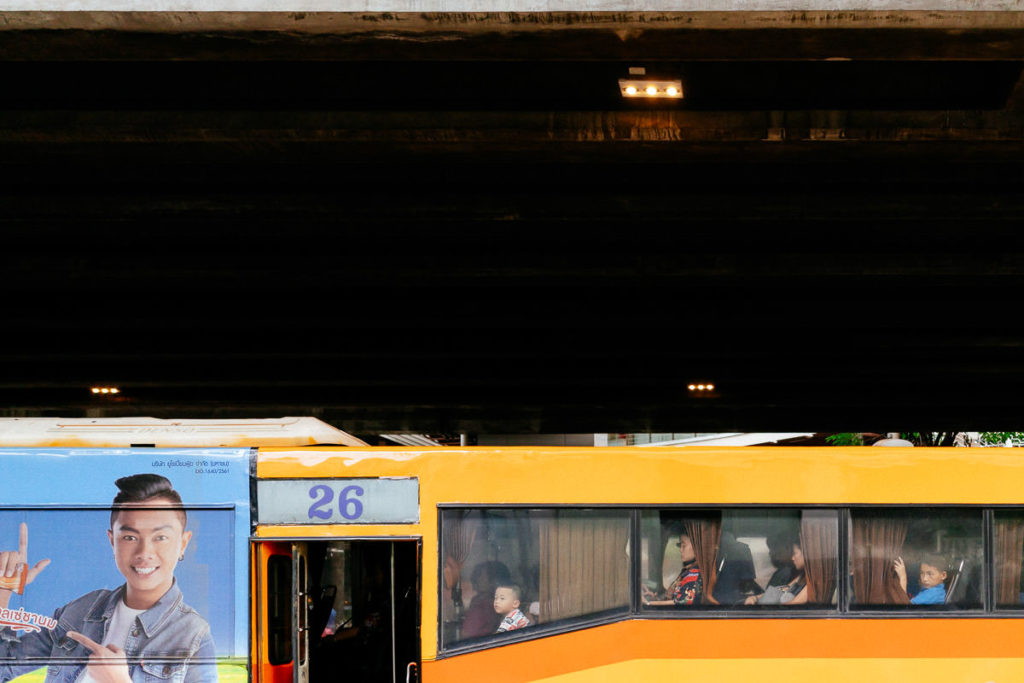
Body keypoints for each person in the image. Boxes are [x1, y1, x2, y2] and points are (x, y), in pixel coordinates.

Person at [0, 473, 216, 683]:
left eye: (161, 537)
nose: (144, 552)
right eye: (130, 537)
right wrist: (3, 589)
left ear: (183, 543)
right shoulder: (80, 612)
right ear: (112, 541)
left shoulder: (193, 635)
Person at [642, 533, 702, 606]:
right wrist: (655, 598)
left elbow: (681, 602)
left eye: (684, 546)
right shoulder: (687, 571)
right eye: (680, 546)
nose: (680, 550)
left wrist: (649, 603)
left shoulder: (695, 573)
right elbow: (672, 597)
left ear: (697, 548)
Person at [744, 541, 808, 606]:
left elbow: (791, 606)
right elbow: (785, 588)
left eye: (795, 553)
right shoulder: (802, 576)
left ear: (806, 554)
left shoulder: (812, 583)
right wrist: (755, 598)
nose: (792, 558)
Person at [461, 561, 511, 638]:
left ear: (494, 581)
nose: (476, 578)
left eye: (480, 575)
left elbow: (466, 634)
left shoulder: (481, 607)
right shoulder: (501, 603)